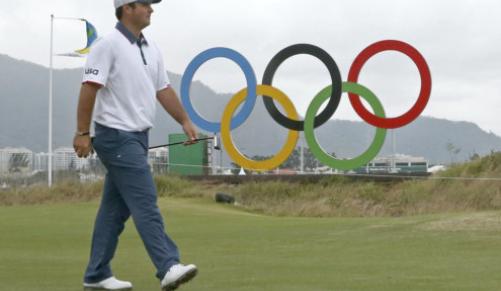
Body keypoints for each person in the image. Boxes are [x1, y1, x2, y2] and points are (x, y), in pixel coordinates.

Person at [73, 0, 199, 290]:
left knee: (114, 211)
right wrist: (82, 132)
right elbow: (89, 88)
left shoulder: (151, 48)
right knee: (145, 200)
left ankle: (96, 274)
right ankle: (168, 265)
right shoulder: (107, 45)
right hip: (115, 135)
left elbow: (163, 89)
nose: (151, 9)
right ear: (127, 7)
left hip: (138, 136)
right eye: (145, 4)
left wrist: (184, 120)